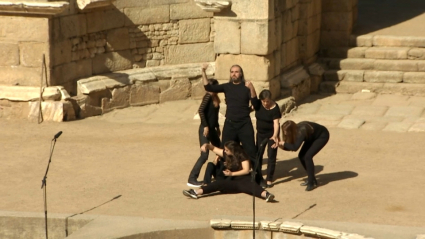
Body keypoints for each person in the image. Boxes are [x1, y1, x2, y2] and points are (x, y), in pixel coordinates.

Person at [202, 64, 263, 184]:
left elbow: (256, 104)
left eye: (236, 72)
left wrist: (251, 88)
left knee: (251, 152)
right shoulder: (227, 86)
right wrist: (203, 71)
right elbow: (208, 87)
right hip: (230, 124)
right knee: (225, 151)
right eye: (232, 72)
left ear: (241, 74)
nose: (234, 74)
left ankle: (259, 178)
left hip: (244, 124)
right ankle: (224, 175)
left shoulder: (246, 87)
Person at [183, 141, 275, 202]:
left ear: (233, 150)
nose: (225, 151)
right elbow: (214, 148)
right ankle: (195, 192)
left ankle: (266, 195)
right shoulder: (226, 153)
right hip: (231, 180)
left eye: (227, 150)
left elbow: (246, 170)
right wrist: (206, 145)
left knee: (252, 187)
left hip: (243, 179)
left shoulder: (242, 155)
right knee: (218, 184)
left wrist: (232, 173)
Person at [187, 78, 222, 187]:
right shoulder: (208, 96)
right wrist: (206, 126)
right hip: (205, 130)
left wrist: (217, 127)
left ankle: (217, 173)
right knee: (204, 155)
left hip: (212, 129)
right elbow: (201, 110)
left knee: (221, 150)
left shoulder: (215, 97)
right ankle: (192, 178)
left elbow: (214, 115)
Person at [278, 120, 330, 191]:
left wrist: (283, 144)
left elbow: (295, 147)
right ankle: (312, 179)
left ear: (291, 130)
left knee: (308, 156)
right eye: (284, 131)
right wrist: (280, 146)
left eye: (286, 131)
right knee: (301, 156)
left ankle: (311, 183)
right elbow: (291, 147)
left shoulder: (301, 131)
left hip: (322, 136)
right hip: (311, 137)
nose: (285, 133)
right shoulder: (295, 131)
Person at [251, 90, 281, 188]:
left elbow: (276, 123)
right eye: (263, 101)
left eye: (267, 101)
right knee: (259, 154)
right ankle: (258, 176)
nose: (265, 103)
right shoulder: (259, 105)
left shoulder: (275, 108)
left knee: (271, 155)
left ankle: (269, 178)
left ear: (270, 99)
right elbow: (250, 107)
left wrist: (275, 136)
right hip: (260, 134)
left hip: (272, 134)